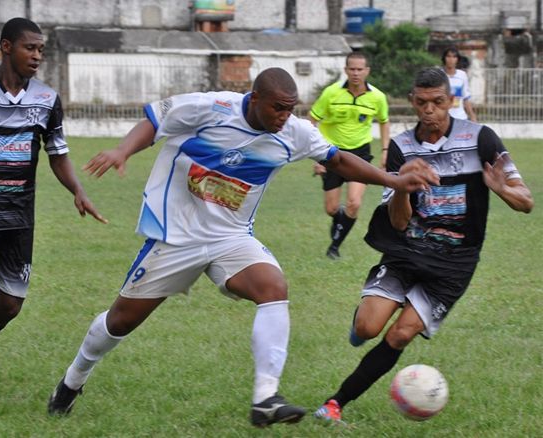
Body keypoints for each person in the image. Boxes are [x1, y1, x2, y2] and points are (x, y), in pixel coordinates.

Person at [46, 67, 438, 427]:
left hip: (231, 238)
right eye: (277, 108)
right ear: (254, 98)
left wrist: (392, 181)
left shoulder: (294, 133)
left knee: (273, 288)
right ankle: (73, 379)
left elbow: (338, 161)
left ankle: (265, 397)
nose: (284, 116)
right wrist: (122, 150)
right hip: (176, 236)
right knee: (121, 322)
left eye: (290, 109)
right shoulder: (210, 108)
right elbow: (154, 119)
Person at [313, 67, 533, 423]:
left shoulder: (481, 139)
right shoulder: (402, 146)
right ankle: (361, 324)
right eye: (422, 103)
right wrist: (402, 185)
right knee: (369, 328)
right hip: (408, 250)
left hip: (455, 262)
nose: (430, 110)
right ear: (413, 102)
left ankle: (335, 404)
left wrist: (501, 188)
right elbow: (399, 222)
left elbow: (526, 202)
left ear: (451, 101)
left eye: (438, 102)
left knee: (400, 334)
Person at [0, 18, 106, 362]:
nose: (37, 55)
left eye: (41, 49)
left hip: (19, 215)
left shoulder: (46, 99)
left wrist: (78, 190)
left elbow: (58, 154)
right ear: (6, 47)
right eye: (30, 47)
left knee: (8, 306)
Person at [310, 52, 390, 260]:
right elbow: (311, 120)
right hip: (332, 154)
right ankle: (339, 219)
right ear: (346, 70)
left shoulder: (377, 97)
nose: (356, 73)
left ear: (367, 71)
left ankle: (334, 247)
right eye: (352, 69)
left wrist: (385, 151)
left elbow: (384, 121)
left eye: (360, 69)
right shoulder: (331, 93)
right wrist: (316, 156)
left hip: (360, 154)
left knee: (354, 202)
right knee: (331, 209)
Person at [442, 46, 477, 121]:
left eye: (454, 57)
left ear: (457, 59)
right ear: (444, 58)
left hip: (460, 117)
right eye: (448, 56)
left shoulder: (462, 75)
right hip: (444, 118)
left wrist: (472, 116)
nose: (451, 59)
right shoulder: (439, 75)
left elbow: (466, 98)